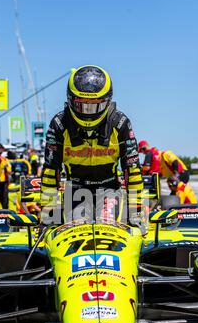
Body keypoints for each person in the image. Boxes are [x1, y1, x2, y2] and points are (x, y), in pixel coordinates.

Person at [41, 65, 145, 229]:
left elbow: (132, 170)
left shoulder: (120, 123)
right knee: (75, 234)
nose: (88, 112)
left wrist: (136, 212)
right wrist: (49, 216)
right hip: (75, 191)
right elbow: (50, 171)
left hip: (110, 190)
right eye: (82, 105)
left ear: (107, 101)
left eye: (95, 105)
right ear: (70, 100)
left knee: (111, 229)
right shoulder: (59, 124)